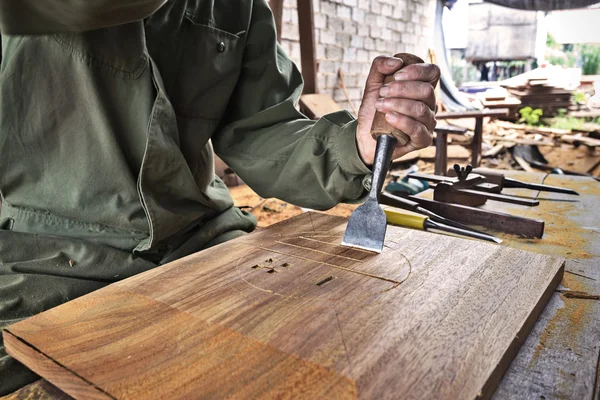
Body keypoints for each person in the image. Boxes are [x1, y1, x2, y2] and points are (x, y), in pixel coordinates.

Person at [0, 0, 440, 393]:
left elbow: (260, 128)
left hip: (198, 240)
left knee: (328, 353)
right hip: (44, 258)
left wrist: (355, 146)